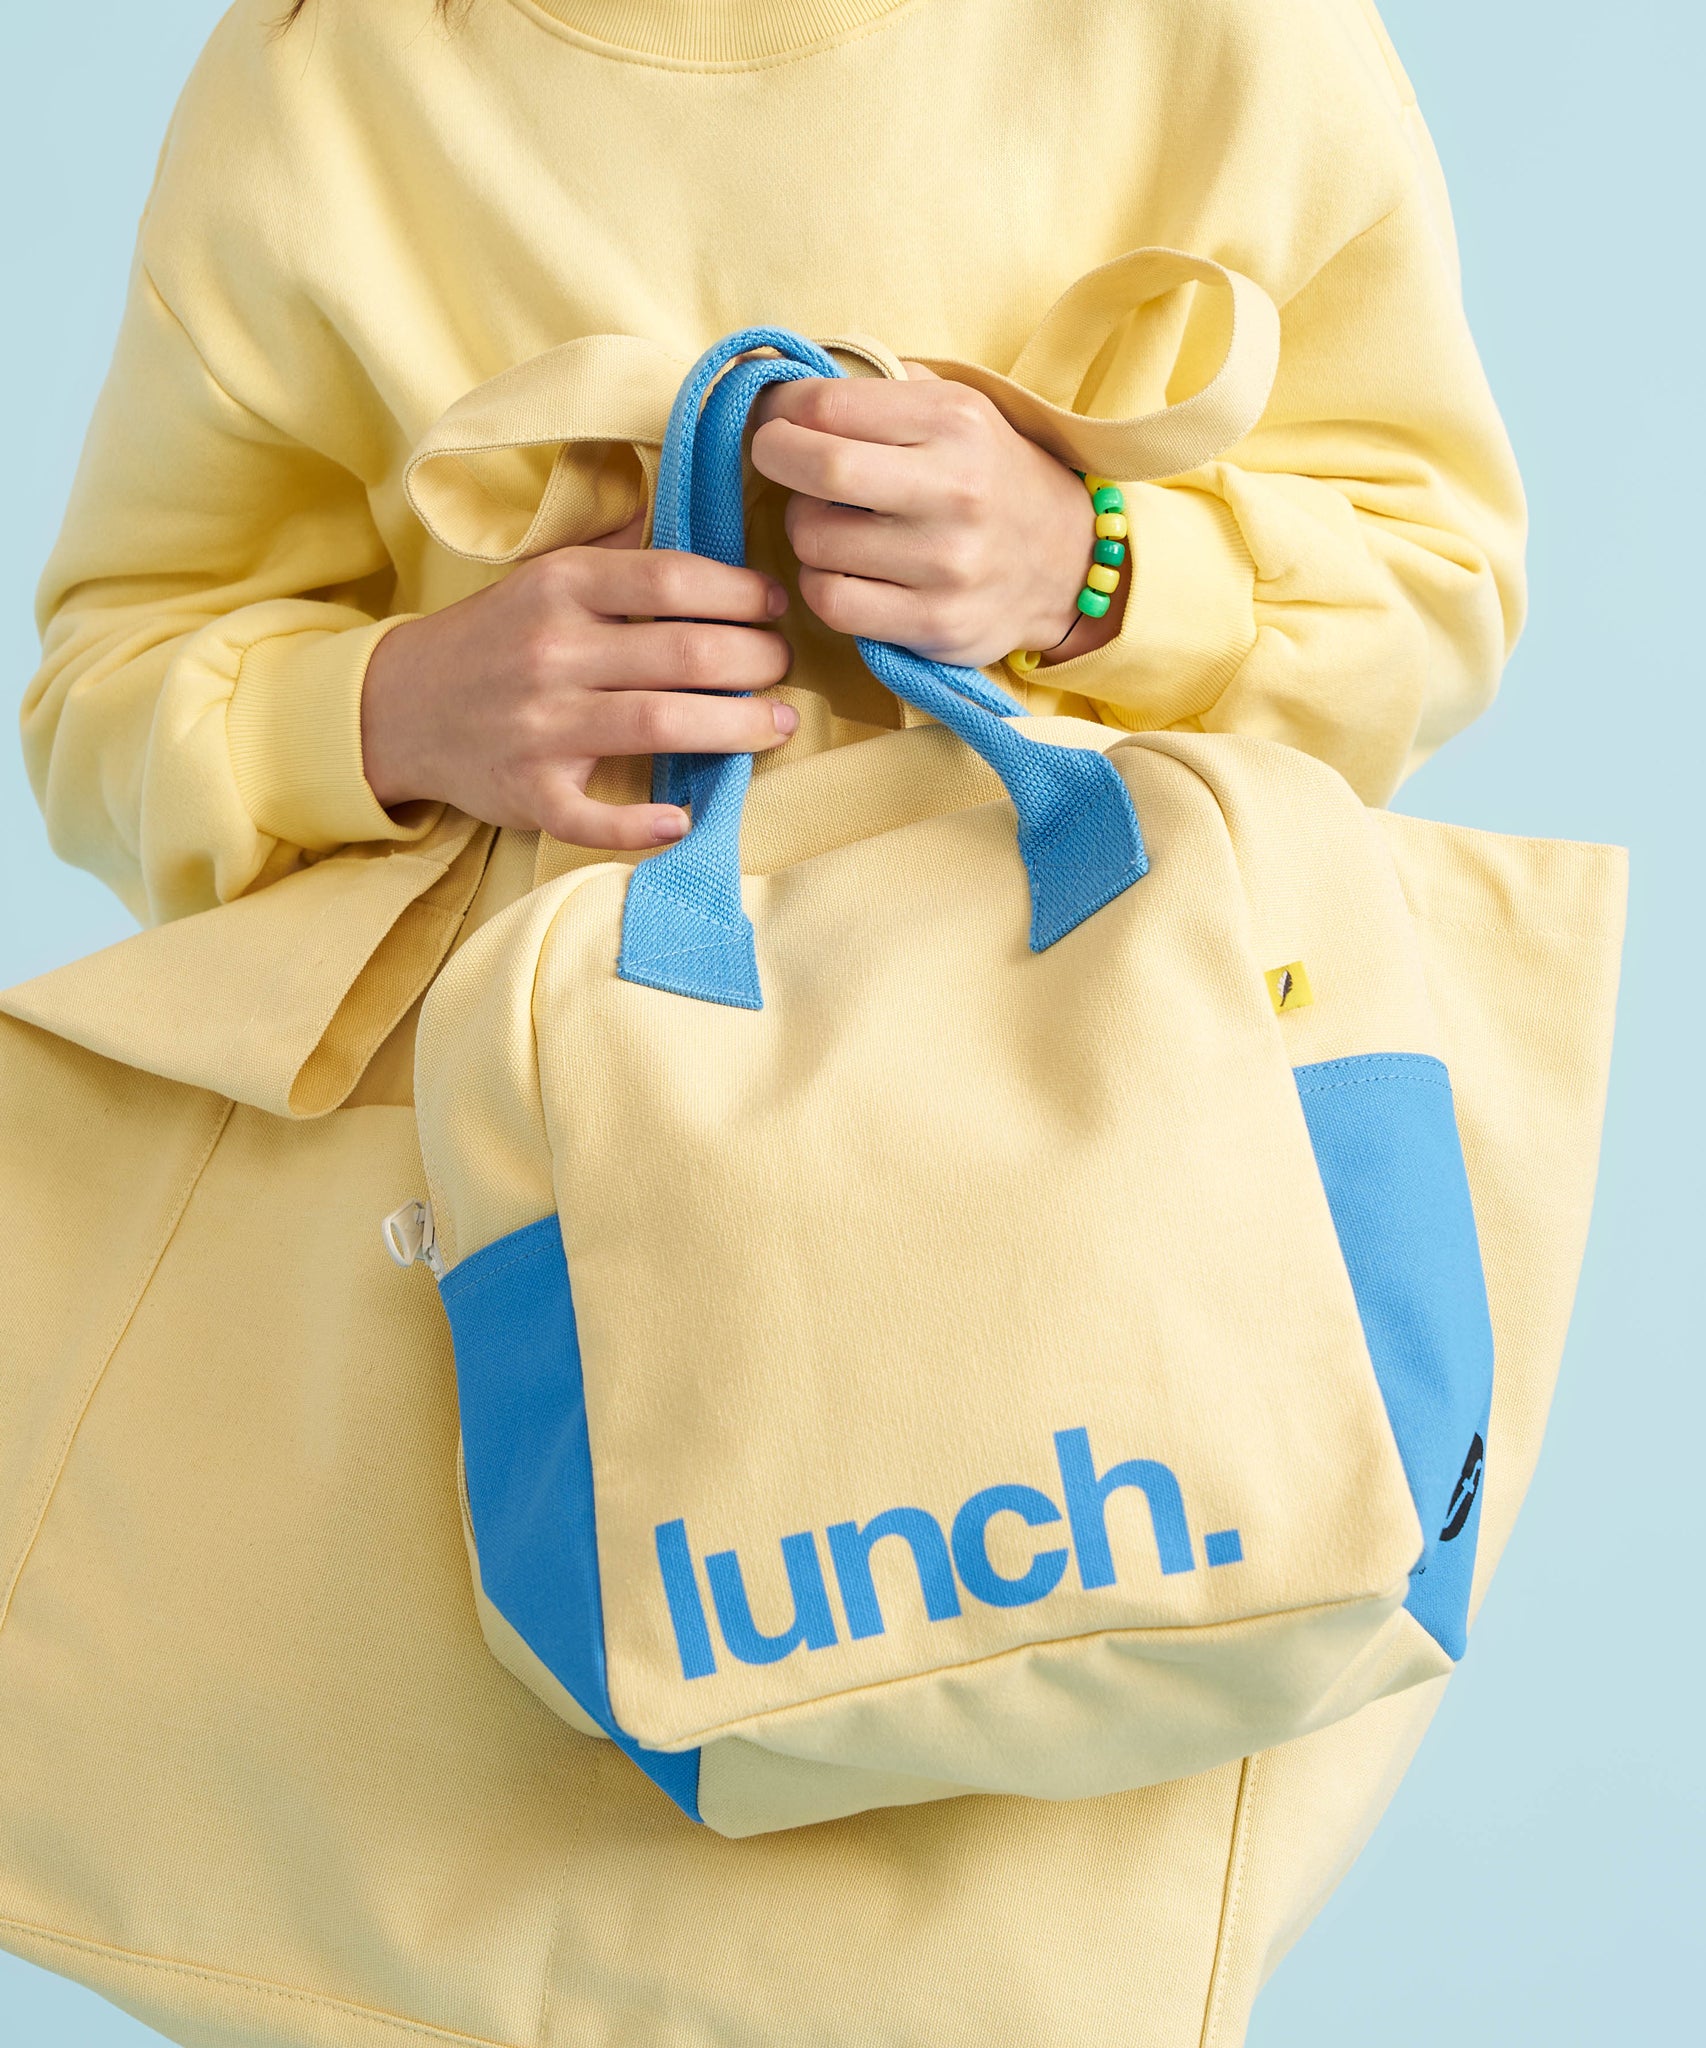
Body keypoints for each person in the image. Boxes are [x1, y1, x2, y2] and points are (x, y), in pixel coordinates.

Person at [10, 2, 1525, 2043]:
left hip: (1076, 1235)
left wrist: (1090, 563)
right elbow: (112, 682)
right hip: (530, 1268)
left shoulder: (1221, 38)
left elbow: (1440, 583)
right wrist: (395, 705)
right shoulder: (330, 80)